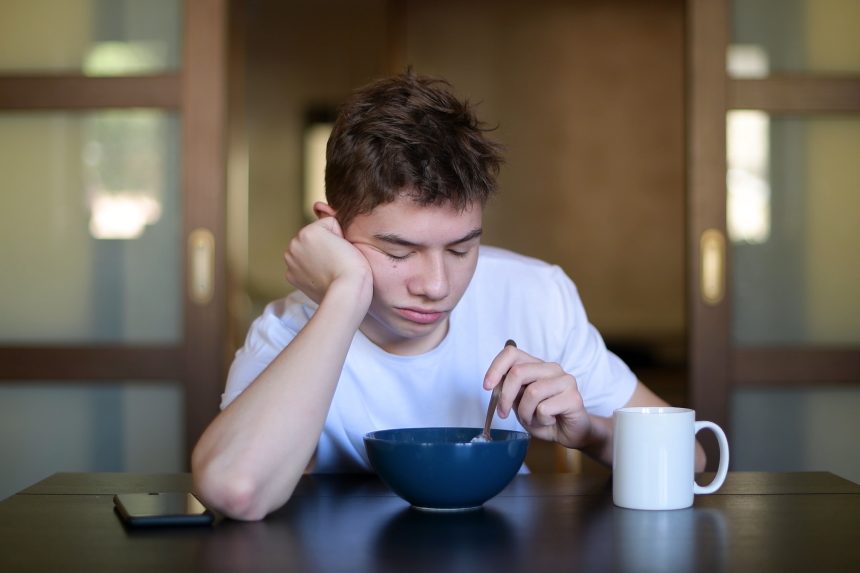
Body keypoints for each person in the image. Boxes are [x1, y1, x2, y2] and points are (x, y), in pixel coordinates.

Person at [192, 71, 704, 521]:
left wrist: (589, 433)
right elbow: (235, 490)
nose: (436, 286)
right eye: (398, 251)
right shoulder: (289, 329)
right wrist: (344, 295)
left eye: (461, 249)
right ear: (333, 230)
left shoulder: (533, 295)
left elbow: (693, 459)